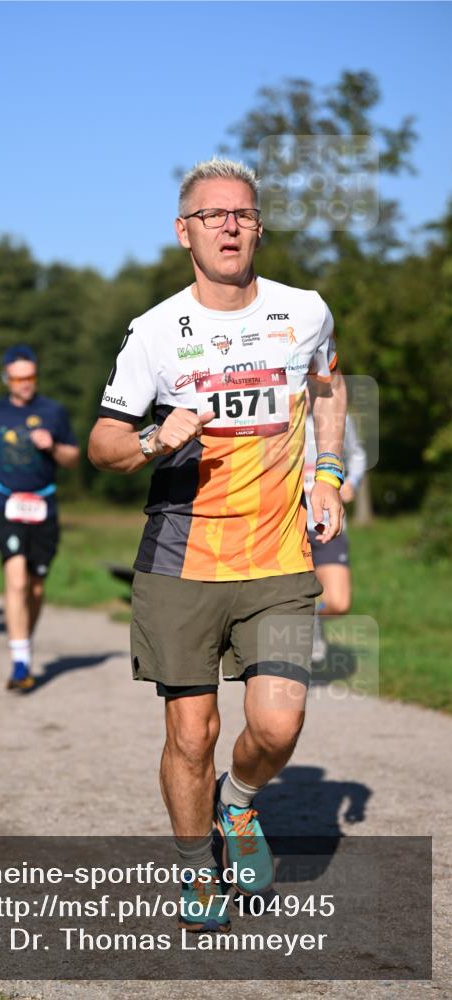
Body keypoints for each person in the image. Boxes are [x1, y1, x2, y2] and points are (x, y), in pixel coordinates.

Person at [88, 157, 347, 931]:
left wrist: (327, 473)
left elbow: (327, 389)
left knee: (275, 726)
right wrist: (150, 435)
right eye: (212, 215)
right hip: (183, 558)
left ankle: (237, 807)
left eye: (242, 213)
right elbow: (102, 442)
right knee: (191, 732)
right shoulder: (157, 331)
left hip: (277, 556)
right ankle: (192, 866)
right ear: (184, 232)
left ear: (258, 226)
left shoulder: (304, 311)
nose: (229, 225)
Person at [0, 345, 79, 691]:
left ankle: (24, 645)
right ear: (7, 379)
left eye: (30, 377)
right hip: (6, 502)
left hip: (43, 505)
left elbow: (73, 457)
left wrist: (53, 447)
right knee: (16, 579)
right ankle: (20, 662)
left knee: (35, 586)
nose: (25, 384)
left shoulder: (53, 411)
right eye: (18, 378)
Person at [304, 404, 367, 662]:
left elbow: (357, 455)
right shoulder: (274, 413)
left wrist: (352, 482)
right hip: (285, 523)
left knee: (339, 602)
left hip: (327, 522)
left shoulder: (337, 417)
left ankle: (313, 618)